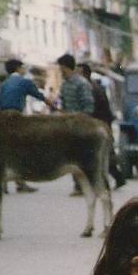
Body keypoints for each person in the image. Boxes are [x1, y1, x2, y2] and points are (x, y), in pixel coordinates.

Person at [0, 57, 46, 193]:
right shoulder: (24, 82)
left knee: (7, 151)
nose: (24, 69)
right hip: (16, 117)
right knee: (20, 151)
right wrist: (53, 104)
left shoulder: (5, 83)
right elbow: (38, 95)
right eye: (23, 67)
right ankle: (21, 183)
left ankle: (4, 184)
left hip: (2, 118)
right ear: (18, 68)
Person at [82, 63, 127, 189]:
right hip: (101, 126)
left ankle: (113, 179)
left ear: (85, 74)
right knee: (103, 155)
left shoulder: (93, 89)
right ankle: (114, 179)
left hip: (100, 126)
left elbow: (100, 111)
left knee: (103, 155)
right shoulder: (92, 87)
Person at [59, 55, 94, 196]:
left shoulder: (82, 83)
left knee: (83, 158)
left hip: (81, 127)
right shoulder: (64, 84)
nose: (59, 70)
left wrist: (81, 121)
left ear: (66, 67)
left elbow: (89, 106)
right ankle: (78, 186)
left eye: (61, 67)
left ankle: (87, 185)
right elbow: (64, 104)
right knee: (72, 159)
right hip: (68, 127)